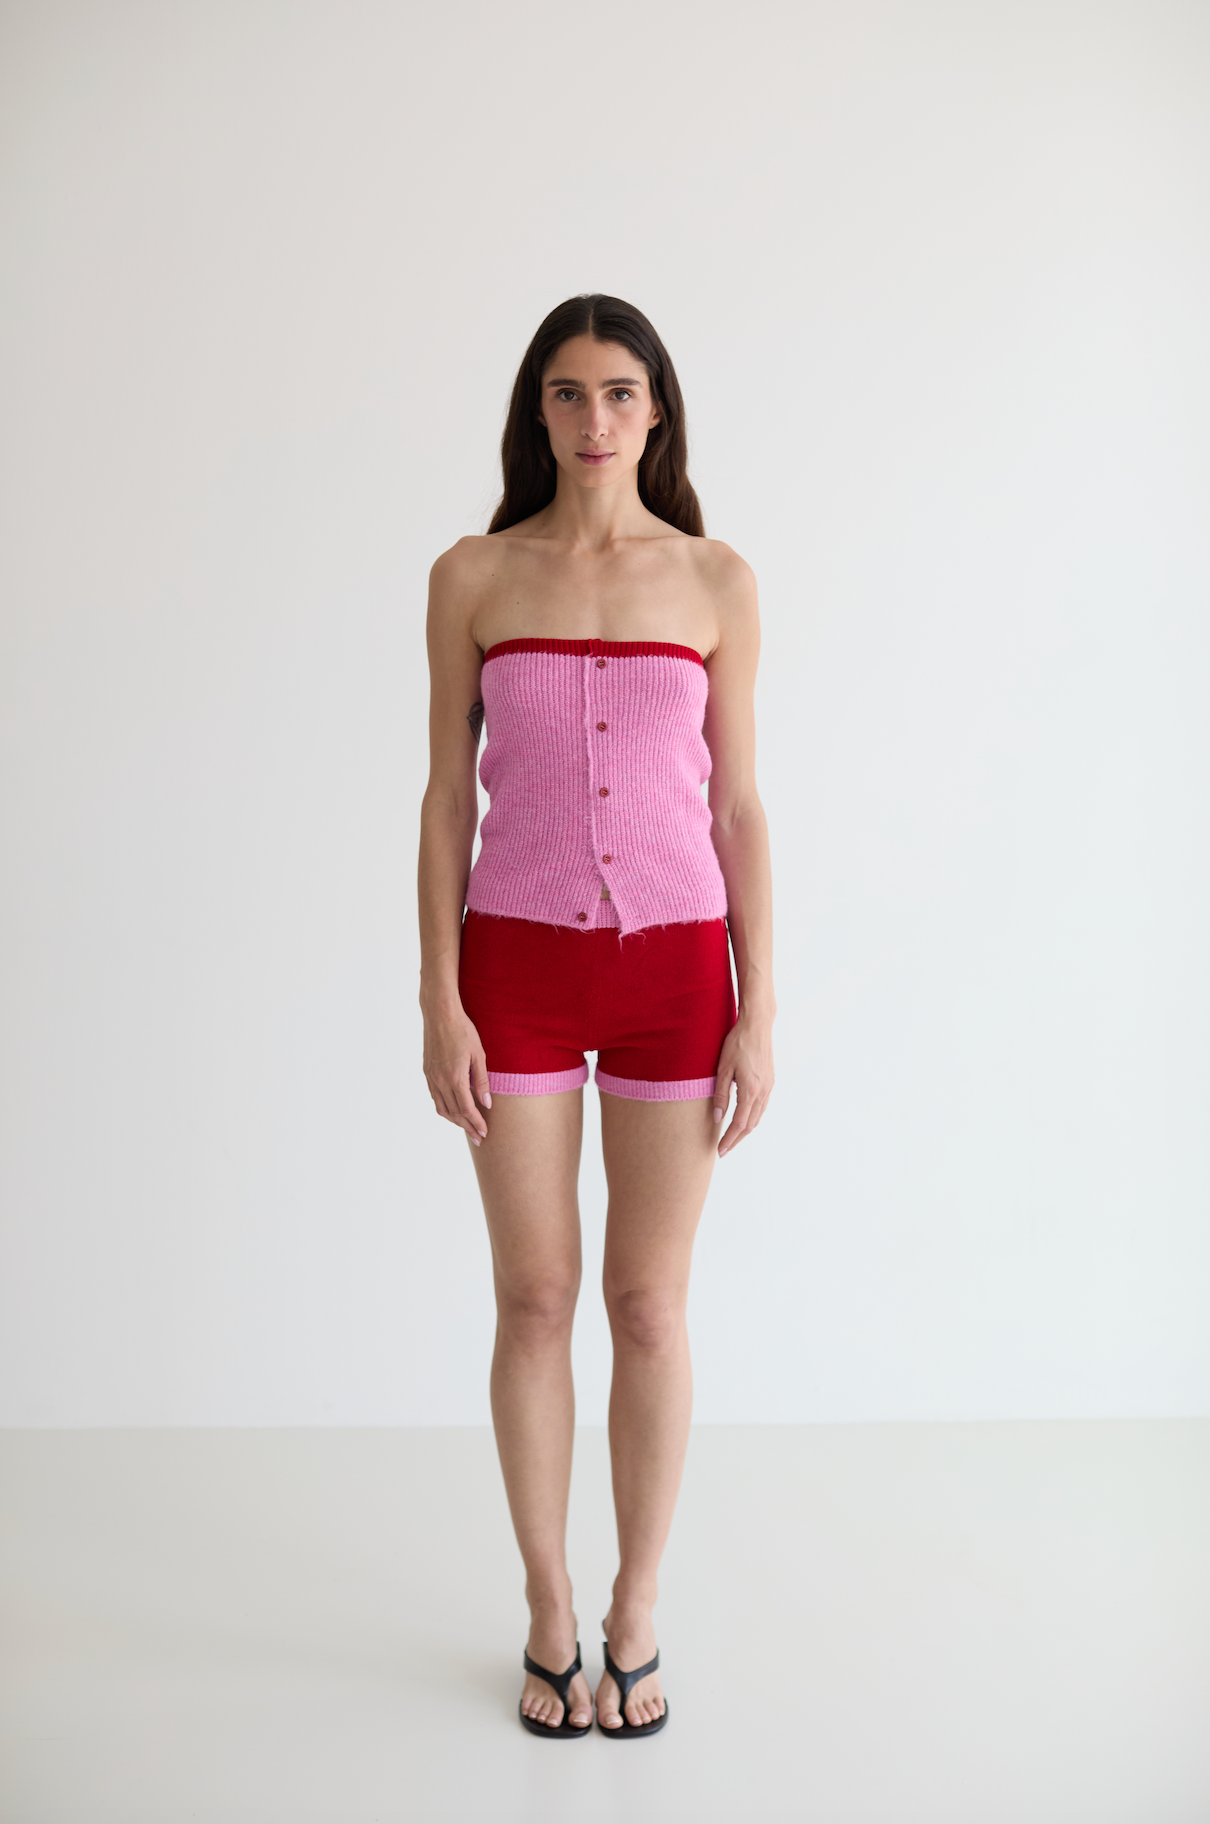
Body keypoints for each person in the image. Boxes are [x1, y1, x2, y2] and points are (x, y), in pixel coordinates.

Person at [418, 294, 774, 1737]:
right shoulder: (471, 574)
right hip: (511, 970)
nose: (592, 418)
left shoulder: (716, 580)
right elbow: (445, 801)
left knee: (646, 1306)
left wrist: (760, 1004)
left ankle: (635, 1609)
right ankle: (549, 1608)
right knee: (534, 1298)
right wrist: (436, 994)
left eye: (619, 392)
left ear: (657, 411)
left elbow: (738, 805)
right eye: (566, 394)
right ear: (537, 413)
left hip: (676, 977)